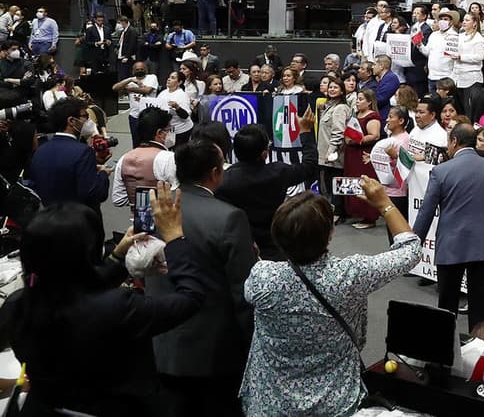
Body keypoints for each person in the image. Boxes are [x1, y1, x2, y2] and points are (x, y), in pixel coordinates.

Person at [0, 185, 201, 417]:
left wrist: (117, 256)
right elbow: (191, 297)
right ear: (89, 252)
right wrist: (176, 237)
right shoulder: (118, 307)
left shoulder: (18, 305)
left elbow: (73, 286)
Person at [240, 178, 421, 416]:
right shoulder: (351, 275)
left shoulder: (262, 277)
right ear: (330, 233)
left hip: (270, 403)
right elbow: (411, 250)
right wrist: (384, 203)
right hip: (336, 403)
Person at [149, 141, 255, 415]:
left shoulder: (156, 208)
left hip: (160, 337)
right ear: (215, 173)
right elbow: (242, 291)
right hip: (213, 348)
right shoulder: (229, 217)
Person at [412, 124, 484, 334]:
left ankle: (443, 361)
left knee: (447, 307)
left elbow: (426, 212)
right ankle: (478, 359)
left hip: (450, 247)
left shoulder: (441, 171)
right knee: (481, 311)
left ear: (454, 142)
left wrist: (413, 244)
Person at [216, 116, 319, 260]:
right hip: (276, 244)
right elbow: (309, 166)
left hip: (240, 246)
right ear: (265, 154)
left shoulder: (224, 180)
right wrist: (306, 131)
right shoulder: (278, 172)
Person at [28, 97, 110, 222]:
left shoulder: (40, 150)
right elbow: (95, 193)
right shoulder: (83, 151)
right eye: (85, 117)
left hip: (48, 221)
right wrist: (103, 173)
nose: (90, 121)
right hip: (80, 224)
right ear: (72, 121)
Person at [345, 89, 382, 229]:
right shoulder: (356, 114)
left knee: (364, 182)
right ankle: (357, 212)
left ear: (369, 102)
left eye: (361, 99)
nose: (358, 101)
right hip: (352, 154)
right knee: (353, 182)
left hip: (363, 154)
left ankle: (369, 216)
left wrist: (356, 141)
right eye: (357, 99)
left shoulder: (372, 116)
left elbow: (374, 135)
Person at [317, 77, 351, 220]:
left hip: (335, 153)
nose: (331, 89)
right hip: (326, 151)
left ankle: (338, 212)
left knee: (336, 183)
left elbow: (338, 131)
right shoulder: (329, 106)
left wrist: (331, 150)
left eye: (335, 87)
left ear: (342, 91)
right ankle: (335, 210)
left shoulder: (340, 108)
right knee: (330, 182)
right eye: (330, 87)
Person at [114, 59, 160, 146]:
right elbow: (115, 88)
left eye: (142, 69)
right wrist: (130, 79)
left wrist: (129, 89)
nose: (139, 71)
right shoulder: (130, 81)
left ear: (146, 70)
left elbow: (147, 90)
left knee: (149, 141)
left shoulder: (152, 77)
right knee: (136, 141)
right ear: (133, 71)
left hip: (149, 115)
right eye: (137, 69)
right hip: (134, 116)